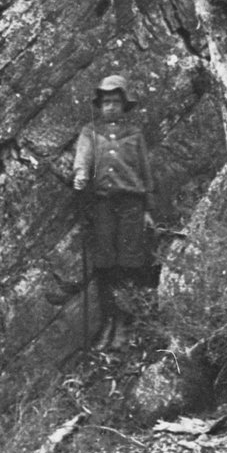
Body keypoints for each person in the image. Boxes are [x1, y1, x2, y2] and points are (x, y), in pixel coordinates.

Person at [70, 74, 158, 350]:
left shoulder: (134, 134)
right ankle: (108, 320)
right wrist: (81, 175)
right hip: (103, 205)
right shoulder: (90, 132)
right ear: (99, 105)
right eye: (106, 102)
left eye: (115, 102)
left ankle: (124, 323)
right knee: (105, 261)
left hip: (131, 205)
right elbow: (82, 158)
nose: (110, 107)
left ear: (124, 104)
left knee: (129, 261)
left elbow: (145, 173)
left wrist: (147, 209)